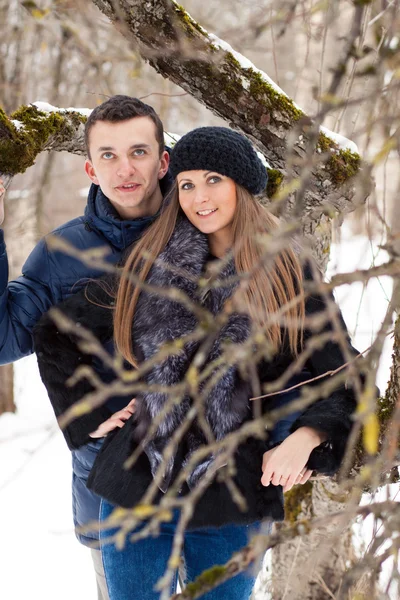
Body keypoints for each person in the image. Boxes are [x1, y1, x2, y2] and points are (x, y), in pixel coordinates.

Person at [33, 127, 361, 600]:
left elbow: (342, 374)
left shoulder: (288, 273)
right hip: (136, 489)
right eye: (186, 185)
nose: (198, 197)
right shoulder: (152, 261)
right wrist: (87, 413)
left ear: (241, 186)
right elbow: (57, 333)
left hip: (233, 491)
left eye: (213, 181)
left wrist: (308, 438)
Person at [0, 94, 171, 599]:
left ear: (163, 161)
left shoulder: (204, 233)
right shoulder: (61, 254)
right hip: (107, 480)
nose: (125, 169)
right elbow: (5, 337)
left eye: (139, 152)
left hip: (209, 482)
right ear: (90, 168)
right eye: (109, 155)